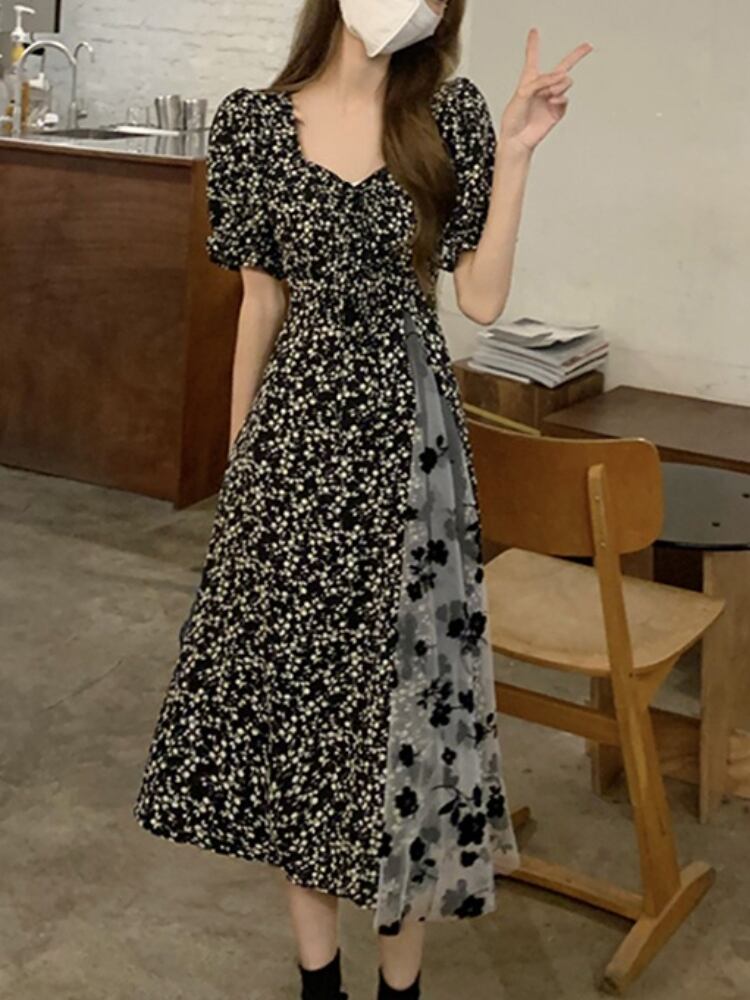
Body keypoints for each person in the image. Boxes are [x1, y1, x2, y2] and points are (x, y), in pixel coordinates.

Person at [132, 1, 593, 997]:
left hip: (413, 453)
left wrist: (517, 152)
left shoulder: (448, 114)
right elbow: (260, 303)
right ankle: (319, 981)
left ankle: (400, 986)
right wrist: (241, 469)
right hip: (293, 453)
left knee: (407, 716)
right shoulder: (255, 123)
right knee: (300, 712)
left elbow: (479, 299)